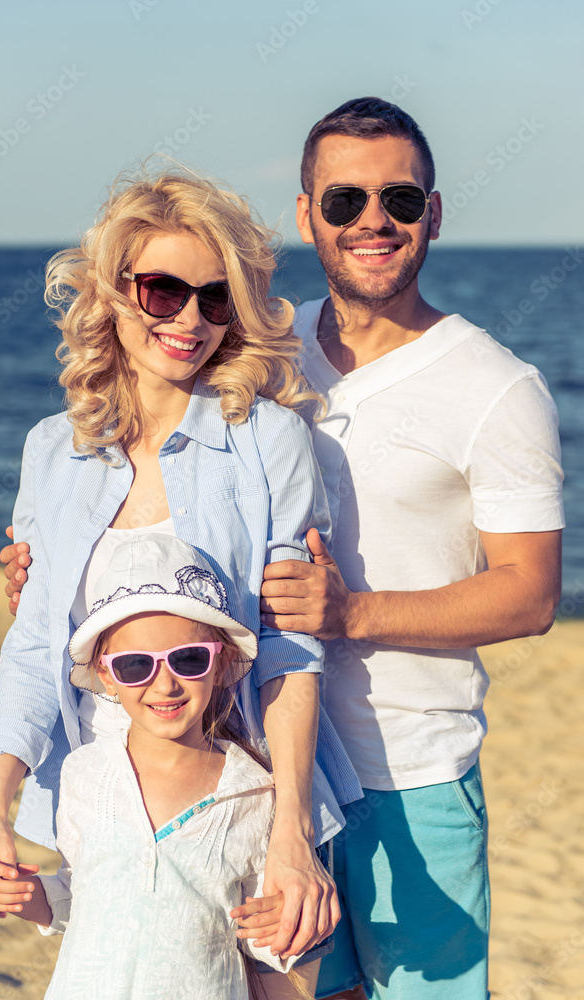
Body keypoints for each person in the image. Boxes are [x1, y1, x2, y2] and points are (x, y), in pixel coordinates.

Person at [0, 169, 364, 997]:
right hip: (104, 796)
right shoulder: (51, 451)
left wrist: (289, 833)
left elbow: (286, 648)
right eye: (164, 290)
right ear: (112, 295)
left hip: (239, 802)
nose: (189, 321)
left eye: (216, 300)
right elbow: (35, 644)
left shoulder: (271, 441)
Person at [254, 98, 564, 999]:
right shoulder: (264, 347)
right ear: (308, 215)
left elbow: (530, 594)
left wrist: (351, 612)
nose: (373, 221)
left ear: (433, 211)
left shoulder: (499, 387)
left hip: (413, 777)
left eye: (399, 197)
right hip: (270, 767)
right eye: (345, 201)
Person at [0, 534, 311, 1000]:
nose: (165, 684)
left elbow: (265, 948)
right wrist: (20, 894)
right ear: (108, 674)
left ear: (221, 661)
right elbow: (78, 900)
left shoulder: (255, 793)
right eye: (136, 665)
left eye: (188, 659)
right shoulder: (83, 773)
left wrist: (285, 926)